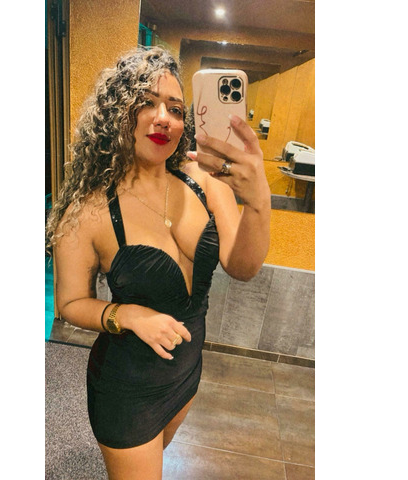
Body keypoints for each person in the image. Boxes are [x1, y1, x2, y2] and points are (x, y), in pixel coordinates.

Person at [45, 46, 271, 480]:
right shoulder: (91, 210)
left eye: (175, 108)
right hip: (126, 387)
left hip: (186, 374)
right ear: (117, 113)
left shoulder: (205, 181)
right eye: (146, 103)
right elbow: (70, 303)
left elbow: (242, 267)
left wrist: (259, 202)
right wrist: (127, 314)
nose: (164, 117)